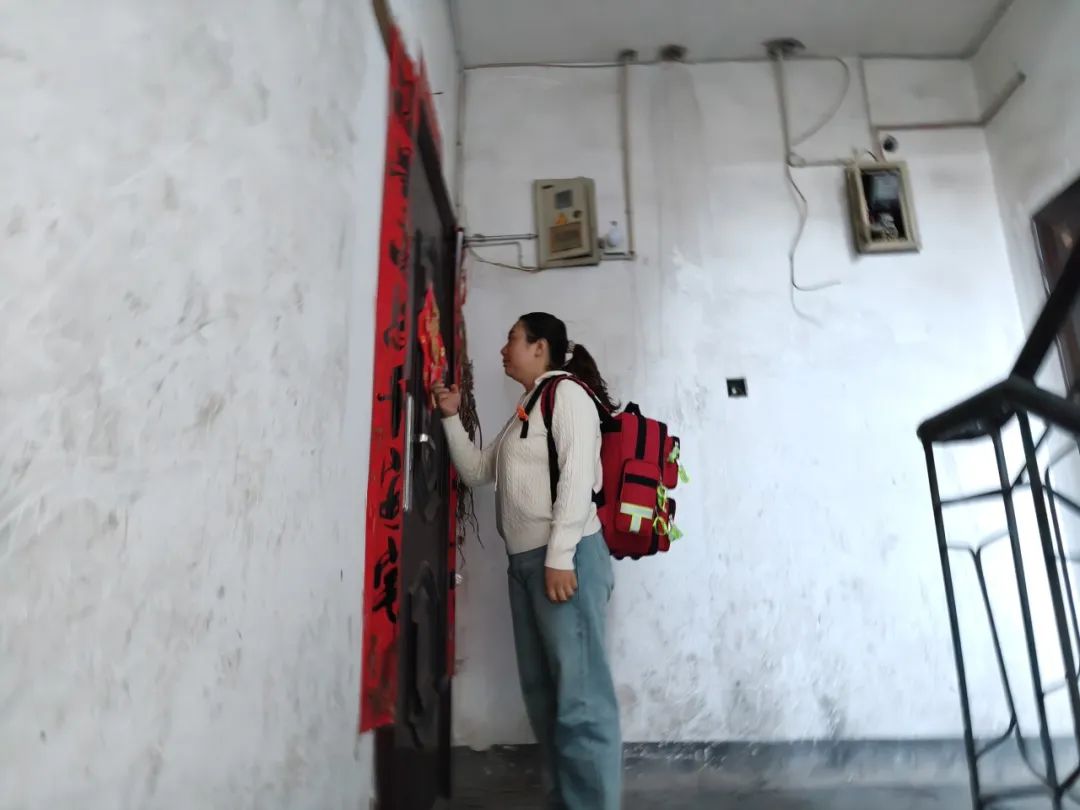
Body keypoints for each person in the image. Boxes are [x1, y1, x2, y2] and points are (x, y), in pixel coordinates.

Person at [432, 312, 622, 810]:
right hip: (527, 566)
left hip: (565, 562)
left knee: (581, 700)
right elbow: (477, 471)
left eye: (512, 339)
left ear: (540, 348)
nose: (503, 349)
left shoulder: (568, 396)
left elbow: (578, 480)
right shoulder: (529, 407)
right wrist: (450, 416)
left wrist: (559, 557)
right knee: (544, 696)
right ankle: (567, 800)